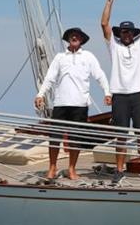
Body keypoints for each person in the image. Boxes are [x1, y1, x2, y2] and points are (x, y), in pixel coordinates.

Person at [35, 27, 111, 181]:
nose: (74, 37)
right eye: (71, 35)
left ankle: (71, 169)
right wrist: (40, 94)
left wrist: (107, 92)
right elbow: (49, 78)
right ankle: (52, 167)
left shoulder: (88, 56)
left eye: (77, 36)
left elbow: (100, 75)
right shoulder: (60, 57)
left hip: (80, 104)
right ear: (68, 39)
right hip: (61, 103)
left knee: (76, 139)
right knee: (54, 137)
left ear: (82, 39)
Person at [100, 0, 140, 182]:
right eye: (123, 32)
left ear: (133, 33)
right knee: (121, 135)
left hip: (138, 93)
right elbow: (104, 24)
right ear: (120, 33)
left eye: (129, 32)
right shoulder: (114, 46)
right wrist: (109, 0)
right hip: (119, 95)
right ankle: (119, 168)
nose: (126, 34)